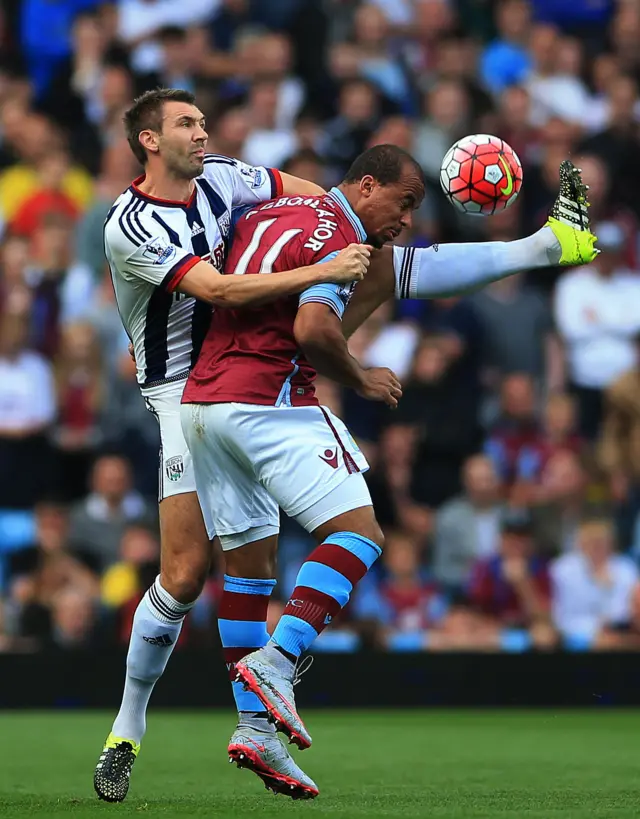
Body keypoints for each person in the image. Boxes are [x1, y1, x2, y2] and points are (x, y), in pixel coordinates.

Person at [180, 145, 597, 798]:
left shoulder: (277, 210)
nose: (406, 217)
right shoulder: (340, 234)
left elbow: (403, 272)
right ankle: (281, 657)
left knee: (249, 573)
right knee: (361, 533)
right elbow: (316, 328)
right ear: (366, 184)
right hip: (267, 399)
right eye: (403, 202)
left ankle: (255, 729)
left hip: (201, 404)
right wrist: (361, 376)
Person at [93, 87, 370, 803]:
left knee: (252, 560)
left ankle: (258, 731)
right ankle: (127, 730)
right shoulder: (130, 225)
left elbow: (305, 191)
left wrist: (338, 224)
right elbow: (216, 289)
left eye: (203, 120)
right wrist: (322, 268)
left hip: (242, 381)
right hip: (180, 393)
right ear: (150, 141)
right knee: (185, 574)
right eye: (186, 123)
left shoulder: (224, 176)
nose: (202, 131)